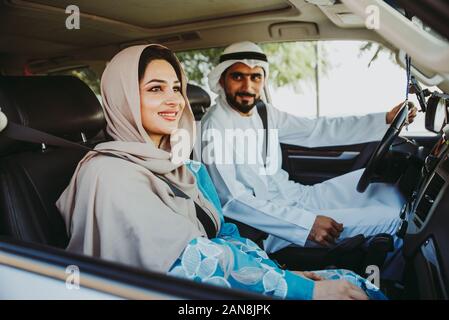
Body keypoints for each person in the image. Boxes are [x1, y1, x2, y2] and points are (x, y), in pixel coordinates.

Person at [56, 44, 384, 300]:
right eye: (155, 89)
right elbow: (189, 263)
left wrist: (287, 276)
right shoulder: (111, 175)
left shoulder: (181, 166)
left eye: (175, 87)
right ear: (124, 97)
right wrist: (302, 290)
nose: (174, 101)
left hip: (226, 278)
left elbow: (223, 234)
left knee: (353, 283)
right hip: (189, 289)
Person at [201, 41, 418, 254]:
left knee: (383, 189)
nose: (247, 87)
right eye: (238, 77)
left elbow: (317, 129)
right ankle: (393, 285)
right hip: (269, 224)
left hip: (297, 197)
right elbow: (231, 200)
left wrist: (385, 120)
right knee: (394, 221)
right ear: (222, 79)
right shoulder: (214, 124)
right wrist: (305, 224)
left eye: (255, 77)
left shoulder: (264, 112)